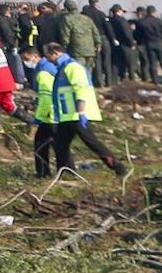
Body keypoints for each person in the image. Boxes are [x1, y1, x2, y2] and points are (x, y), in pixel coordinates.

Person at [28, 43, 127, 177]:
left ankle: (117, 166)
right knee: (60, 144)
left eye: (49, 56)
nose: (49, 60)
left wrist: (81, 112)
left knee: (91, 142)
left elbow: (80, 89)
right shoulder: (62, 68)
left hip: (77, 114)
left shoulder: (72, 67)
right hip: (68, 115)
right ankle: (67, 173)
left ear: (55, 53)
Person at [58, 0, 102, 93]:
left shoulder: (67, 19)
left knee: (80, 71)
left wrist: (64, 48)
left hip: (77, 48)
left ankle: (82, 91)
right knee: (88, 70)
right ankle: (89, 88)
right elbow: (95, 32)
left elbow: (66, 35)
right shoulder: (86, 18)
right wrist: (98, 43)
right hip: (90, 48)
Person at [82, 0, 113, 84]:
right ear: (97, 3)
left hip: (90, 39)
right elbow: (108, 28)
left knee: (97, 61)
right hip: (103, 38)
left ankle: (99, 82)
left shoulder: (84, 14)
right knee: (107, 60)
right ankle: (109, 81)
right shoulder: (101, 14)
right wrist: (112, 39)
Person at [136, 6, 162, 82]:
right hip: (159, 43)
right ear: (154, 12)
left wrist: (140, 43)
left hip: (148, 44)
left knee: (152, 63)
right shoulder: (160, 21)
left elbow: (137, 35)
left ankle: (155, 80)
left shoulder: (141, 22)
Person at [107, 5, 137, 83]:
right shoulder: (122, 20)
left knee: (115, 64)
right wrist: (131, 43)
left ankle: (114, 81)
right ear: (118, 11)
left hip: (114, 44)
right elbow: (126, 33)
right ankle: (131, 80)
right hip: (125, 44)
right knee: (130, 63)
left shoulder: (110, 20)